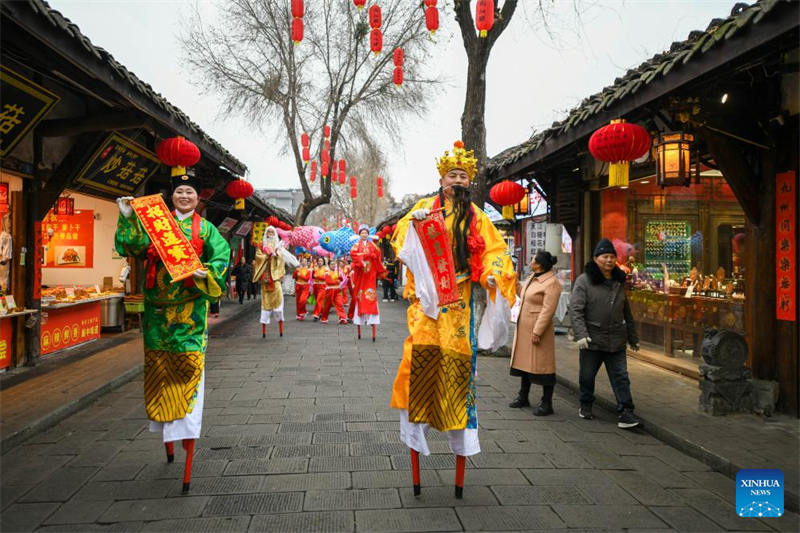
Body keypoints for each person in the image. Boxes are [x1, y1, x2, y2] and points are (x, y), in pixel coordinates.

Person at [390, 140, 516, 498]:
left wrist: (493, 274)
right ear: (442, 180)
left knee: (459, 368)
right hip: (428, 305)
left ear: (469, 181)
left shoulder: (478, 216)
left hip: (460, 302)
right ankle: (417, 438)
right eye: (451, 175)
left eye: (462, 175)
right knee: (419, 364)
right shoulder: (423, 209)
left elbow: (496, 251)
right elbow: (401, 239)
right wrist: (412, 228)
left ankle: (458, 434)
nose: (457, 180)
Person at [114, 169, 230, 494]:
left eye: (190, 192)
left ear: (198, 197)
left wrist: (202, 271)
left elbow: (221, 260)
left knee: (188, 368)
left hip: (189, 316)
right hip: (156, 314)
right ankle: (166, 430)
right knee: (158, 368)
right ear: (171, 196)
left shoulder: (206, 230)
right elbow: (132, 246)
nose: (184, 196)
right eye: (179, 191)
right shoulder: (156, 227)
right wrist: (126, 218)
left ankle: (187, 435)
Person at [570, 237, 643, 429]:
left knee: (621, 376)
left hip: (616, 338)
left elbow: (625, 311)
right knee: (587, 376)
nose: (609, 260)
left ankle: (626, 411)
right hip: (592, 338)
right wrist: (580, 334)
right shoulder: (584, 281)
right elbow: (576, 309)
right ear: (596, 259)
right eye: (605, 256)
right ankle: (585, 403)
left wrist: (633, 337)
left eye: (612, 256)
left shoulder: (619, 281)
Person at [508, 250, 562, 415]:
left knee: (544, 367)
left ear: (538, 264)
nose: (530, 261)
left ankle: (547, 403)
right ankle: (523, 396)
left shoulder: (551, 282)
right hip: (525, 328)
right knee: (525, 365)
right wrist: (514, 281)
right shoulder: (534, 277)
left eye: (532, 259)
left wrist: (538, 331)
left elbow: (548, 310)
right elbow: (523, 294)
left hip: (538, 330)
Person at [350, 224, 386, 341]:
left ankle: (371, 316)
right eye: (362, 233)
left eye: (366, 233)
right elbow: (353, 255)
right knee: (360, 293)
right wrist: (362, 259)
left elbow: (377, 255)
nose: (364, 234)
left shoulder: (373, 245)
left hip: (370, 273)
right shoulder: (356, 245)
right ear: (359, 234)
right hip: (361, 273)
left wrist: (371, 255)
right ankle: (361, 313)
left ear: (368, 234)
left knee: (370, 293)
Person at [254, 226, 286, 338]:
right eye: (269, 232)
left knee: (278, 300)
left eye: (272, 232)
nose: (271, 233)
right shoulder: (261, 245)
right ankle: (264, 329)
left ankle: (280, 324)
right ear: (266, 234)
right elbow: (258, 257)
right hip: (265, 277)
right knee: (265, 303)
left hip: (275, 277)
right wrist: (266, 256)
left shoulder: (279, 246)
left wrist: (276, 255)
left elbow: (282, 259)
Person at [320, 259, 347, 324]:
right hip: (329, 291)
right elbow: (328, 282)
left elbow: (342, 279)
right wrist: (337, 281)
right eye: (331, 264)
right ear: (329, 265)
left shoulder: (338, 272)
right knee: (327, 305)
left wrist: (340, 277)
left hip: (337, 290)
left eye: (334, 264)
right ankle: (324, 317)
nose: (333, 265)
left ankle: (342, 318)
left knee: (339, 304)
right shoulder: (327, 273)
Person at [311, 257, 327, 321]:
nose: (320, 262)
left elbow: (325, 278)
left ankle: (316, 315)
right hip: (315, 286)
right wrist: (313, 272)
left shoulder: (326, 269)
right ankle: (322, 313)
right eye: (319, 261)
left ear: (323, 262)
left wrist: (317, 276)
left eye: (321, 261)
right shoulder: (315, 268)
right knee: (318, 301)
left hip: (322, 286)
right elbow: (312, 277)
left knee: (318, 300)